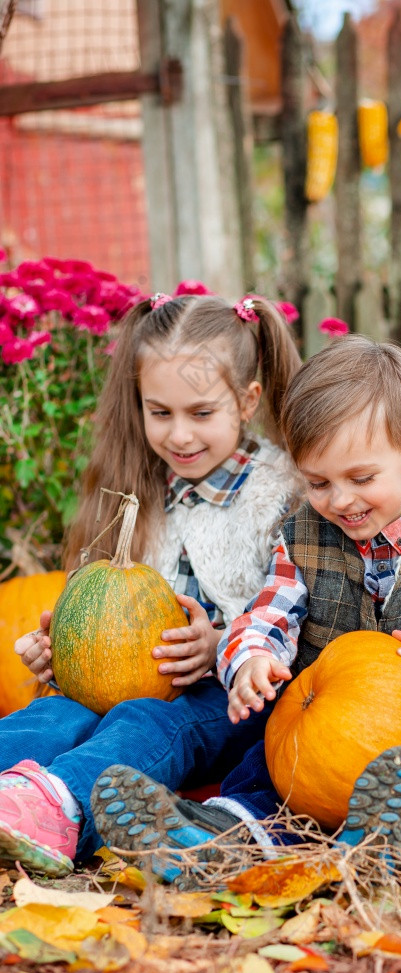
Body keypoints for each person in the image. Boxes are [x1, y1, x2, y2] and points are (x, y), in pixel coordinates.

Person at [92, 335, 401, 883]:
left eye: (361, 478)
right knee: (264, 771)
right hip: (328, 730)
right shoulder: (303, 534)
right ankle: (214, 840)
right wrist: (250, 660)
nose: (341, 501)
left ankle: (390, 851)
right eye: (318, 483)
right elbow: (267, 616)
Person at [0, 291, 303, 878]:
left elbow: (305, 612)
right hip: (126, 685)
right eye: (160, 413)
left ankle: (62, 808)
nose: (180, 435)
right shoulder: (135, 490)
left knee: (145, 723)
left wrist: (222, 644)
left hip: (231, 701)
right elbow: (107, 616)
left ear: (247, 401)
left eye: (200, 413)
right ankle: (15, 798)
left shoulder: (281, 491)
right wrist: (65, 651)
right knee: (57, 716)